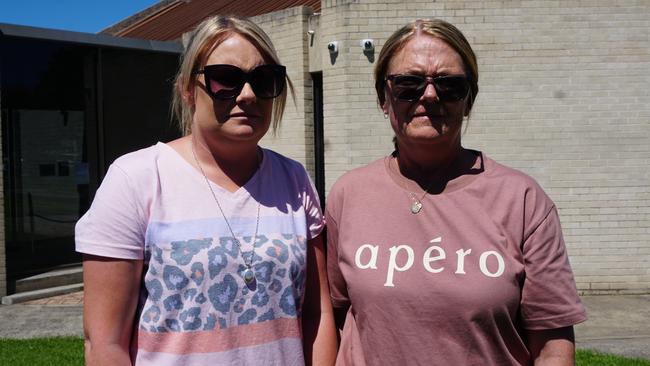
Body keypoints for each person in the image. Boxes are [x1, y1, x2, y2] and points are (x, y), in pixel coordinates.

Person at [76, 15, 336, 366]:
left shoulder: (295, 180)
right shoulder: (136, 178)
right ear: (187, 88)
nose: (247, 95)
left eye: (263, 80)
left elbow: (315, 315)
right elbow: (105, 344)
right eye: (225, 79)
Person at [325, 19, 586, 365]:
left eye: (449, 85)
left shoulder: (522, 200)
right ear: (384, 99)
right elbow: (334, 319)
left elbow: (553, 344)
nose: (429, 95)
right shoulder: (348, 194)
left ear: (469, 100)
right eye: (408, 83)